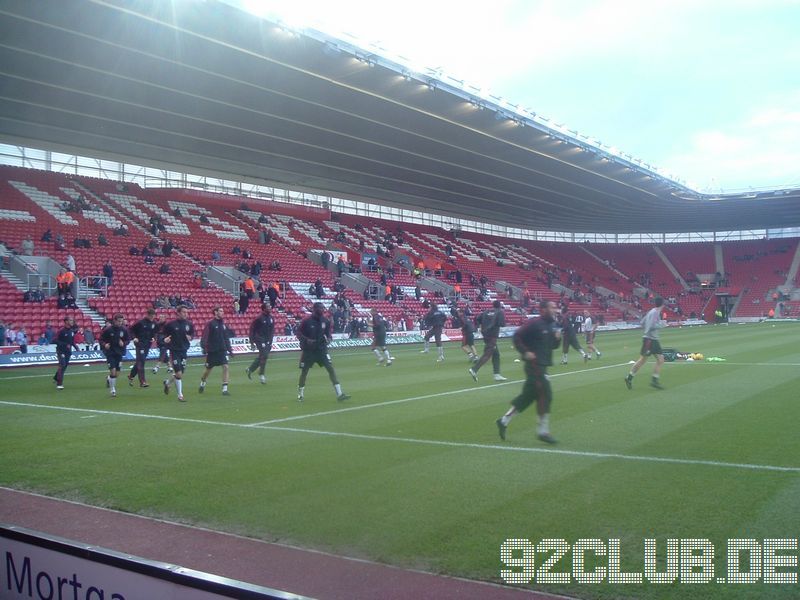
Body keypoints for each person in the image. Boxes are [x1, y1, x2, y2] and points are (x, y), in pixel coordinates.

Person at [495, 300, 562, 444]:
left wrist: (557, 339)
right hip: (534, 365)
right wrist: (525, 352)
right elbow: (516, 336)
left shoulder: (552, 325)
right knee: (546, 394)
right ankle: (543, 431)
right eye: (553, 307)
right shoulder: (534, 323)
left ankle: (504, 420)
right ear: (543, 309)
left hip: (543, 365)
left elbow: (553, 346)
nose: (556, 310)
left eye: (556, 307)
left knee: (529, 397)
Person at [296, 302, 350, 402]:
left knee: (331, 369)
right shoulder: (306, 321)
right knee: (304, 372)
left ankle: (339, 394)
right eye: (321, 308)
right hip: (309, 351)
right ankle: (300, 394)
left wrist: (329, 339)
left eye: (323, 308)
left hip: (321, 350)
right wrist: (306, 340)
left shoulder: (326, 321)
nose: (323, 310)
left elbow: (328, 334)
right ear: (315, 309)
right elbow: (298, 333)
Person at [625, 296, 667, 390]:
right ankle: (629, 378)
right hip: (650, 340)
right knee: (642, 360)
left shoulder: (651, 311)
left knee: (660, 359)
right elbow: (652, 326)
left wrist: (647, 329)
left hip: (653, 339)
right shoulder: (655, 313)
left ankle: (654, 380)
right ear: (662, 304)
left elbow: (642, 322)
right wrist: (662, 325)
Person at [162, 305, 196, 402]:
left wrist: (191, 337)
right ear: (178, 313)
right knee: (179, 374)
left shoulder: (189, 324)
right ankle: (180, 395)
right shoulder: (171, 324)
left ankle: (168, 383)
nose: (186, 314)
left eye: (187, 312)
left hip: (184, 351)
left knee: (180, 373)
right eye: (184, 312)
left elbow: (192, 334)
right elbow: (162, 334)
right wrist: (165, 339)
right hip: (174, 351)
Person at [469, 300, 507, 382]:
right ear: (499, 306)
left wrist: (478, 327)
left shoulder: (486, 311)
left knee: (496, 354)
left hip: (485, 334)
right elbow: (502, 324)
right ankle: (474, 369)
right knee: (488, 354)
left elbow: (477, 318)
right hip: (492, 335)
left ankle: (497, 375)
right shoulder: (500, 312)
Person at [199, 306, 233, 395]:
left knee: (226, 367)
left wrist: (230, 350)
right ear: (215, 312)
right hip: (212, 351)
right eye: (221, 311)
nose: (223, 313)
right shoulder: (210, 323)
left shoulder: (223, 324)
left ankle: (224, 389)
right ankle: (203, 382)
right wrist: (204, 347)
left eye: (223, 311)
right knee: (208, 370)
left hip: (222, 350)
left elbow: (226, 338)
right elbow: (205, 336)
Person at [100, 313, 130, 398]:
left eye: (121, 321)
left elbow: (128, 339)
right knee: (113, 371)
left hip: (119, 353)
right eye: (119, 321)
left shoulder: (124, 330)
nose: (120, 323)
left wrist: (123, 343)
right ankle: (113, 390)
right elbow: (101, 340)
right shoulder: (108, 330)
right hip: (110, 353)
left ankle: (109, 379)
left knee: (116, 374)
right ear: (115, 321)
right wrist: (105, 344)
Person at [127, 309, 158, 387]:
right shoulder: (140, 322)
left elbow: (155, 332)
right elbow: (131, 330)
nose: (152, 317)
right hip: (139, 343)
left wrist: (154, 338)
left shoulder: (154, 323)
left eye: (153, 316)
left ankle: (131, 375)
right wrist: (134, 338)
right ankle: (142, 382)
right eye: (151, 316)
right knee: (141, 362)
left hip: (147, 344)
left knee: (140, 361)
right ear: (147, 315)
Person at [246, 303, 275, 383]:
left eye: (270, 306)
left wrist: (271, 340)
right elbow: (252, 329)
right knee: (264, 355)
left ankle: (250, 369)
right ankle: (261, 375)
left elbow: (272, 330)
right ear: (264, 309)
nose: (270, 308)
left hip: (268, 340)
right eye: (268, 307)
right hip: (259, 339)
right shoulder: (259, 318)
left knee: (263, 356)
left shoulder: (271, 318)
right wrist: (252, 342)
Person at [53, 316, 79, 390]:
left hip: (68, 351)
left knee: (64, 366)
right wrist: (64, 344)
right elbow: (54, 340)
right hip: (61, 351)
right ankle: (59, 384)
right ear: (66, 321)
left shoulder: (71, 331)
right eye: (70, 320)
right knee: (62, 365)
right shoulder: (61, 331)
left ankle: (56, 378)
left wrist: (75, 347)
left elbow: (71, 341)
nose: (72, 322)